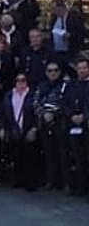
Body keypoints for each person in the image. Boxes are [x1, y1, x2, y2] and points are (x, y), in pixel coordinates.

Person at [35, 61, 71, 191]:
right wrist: (44, 114)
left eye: (55, 70)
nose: (53, 73)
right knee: (49, 153)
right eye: (50, 70)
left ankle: (66, 182)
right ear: (46, 73)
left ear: (59, 72)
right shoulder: (41, 86)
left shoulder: (65, 86)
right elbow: (36, 102)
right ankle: (51, 181)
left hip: (60, 123)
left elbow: (66, 102)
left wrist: (53, 113)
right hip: (45, 123)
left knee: (63, 153)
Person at [0, 73, 39, 189]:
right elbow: (2, 113)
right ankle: (18, 180)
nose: (20, 83)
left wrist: (35, 128)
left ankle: (30, 182)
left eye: (23, 80)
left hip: (28, 129)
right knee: (16, 156)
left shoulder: (33, 95)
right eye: (18, 80)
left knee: (30, 157)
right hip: (14, 129)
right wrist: (2, 128)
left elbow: (38, 113)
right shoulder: (8, 95)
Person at [66, 56, 89, 196]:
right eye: (79, 68)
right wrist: (72, 116)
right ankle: (81, 187)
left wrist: (85, 116)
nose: (82, 71)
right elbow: (65, 103)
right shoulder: (71, 85)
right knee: (78, 157)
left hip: (87, 124)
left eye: (85, 68)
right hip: (73, 125)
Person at [48, 0, 85, 67]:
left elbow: (82, 32)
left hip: (71, 51)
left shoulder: (74, 17)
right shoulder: (54, 18)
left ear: (60, 8)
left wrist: (71, 35)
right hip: (57, 51)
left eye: (54, 8)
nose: (53, 11)